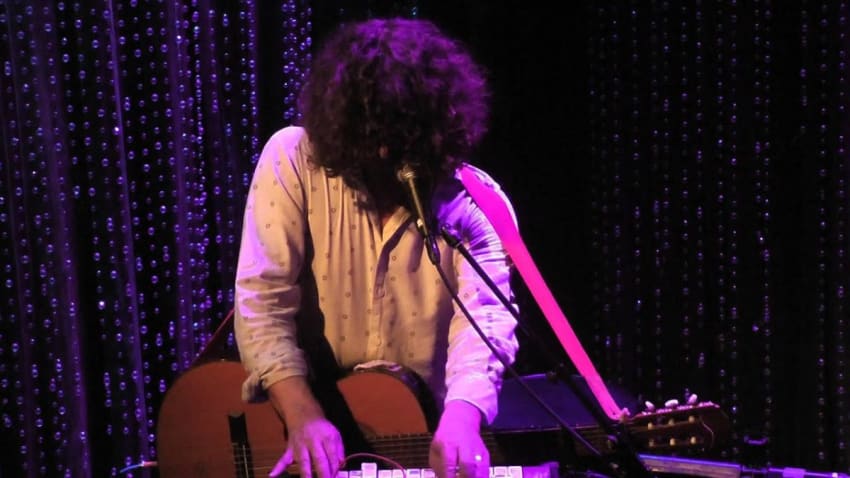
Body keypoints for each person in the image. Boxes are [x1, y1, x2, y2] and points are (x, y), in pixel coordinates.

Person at [234, 17, 519, 478]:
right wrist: (303, 415)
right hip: (300, 422)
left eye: (402, 138)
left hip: (418, 433)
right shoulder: (293, 160)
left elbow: (485, 323)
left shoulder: (476, 205)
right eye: (374, 139)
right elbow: (263, 301)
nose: (386, 154)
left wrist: (462, 420)